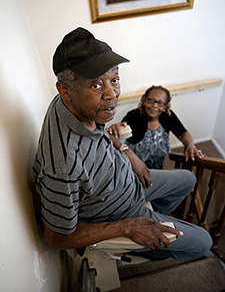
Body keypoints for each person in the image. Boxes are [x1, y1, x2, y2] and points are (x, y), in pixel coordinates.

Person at [32, 27, 212, 262]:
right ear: (65, 89)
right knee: (203, 242)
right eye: (96, 85)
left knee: (188, 180)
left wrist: (127, 152)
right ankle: (148, 243)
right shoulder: (63, 166)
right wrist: (128, 227)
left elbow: (101, 133)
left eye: (114, 80)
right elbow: (56, 238)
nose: (112, 94)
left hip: (129, 179)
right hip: (120, 213)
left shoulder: (72, 105)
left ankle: (155, 218)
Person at [107, 85, 205, 169]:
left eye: (160, 103)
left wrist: (190, 144)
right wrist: (117, 128)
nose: (154, 105)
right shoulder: (134, 115)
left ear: (165, 106)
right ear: (144, 100)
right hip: (135, 163)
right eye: (150, 100)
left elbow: (182, 133)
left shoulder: (167, 115)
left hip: (158, 162)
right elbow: (123, 127)